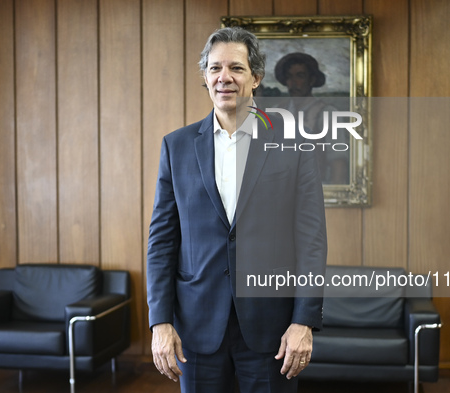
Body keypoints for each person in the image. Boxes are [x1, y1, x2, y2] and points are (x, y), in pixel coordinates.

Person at [146, 27, 327, 393]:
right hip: (195, 330)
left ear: (256, 77)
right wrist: (160, 322)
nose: (223, 77)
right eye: (215, 68)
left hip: (271, 332)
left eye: (236, 68)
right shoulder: (176, 147)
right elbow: (162, 242)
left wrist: (303, 321)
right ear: (205, 77)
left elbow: (311, 243)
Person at [274, 52, 350, 184]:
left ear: (312, 80)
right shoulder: (276, 113)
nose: (293, 83)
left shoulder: (327, 113)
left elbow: (338, 164)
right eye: (289, 77)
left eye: (300, 76)